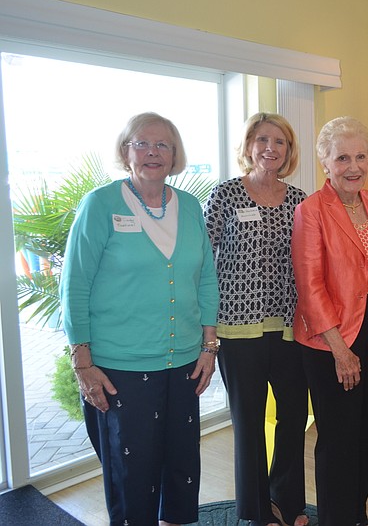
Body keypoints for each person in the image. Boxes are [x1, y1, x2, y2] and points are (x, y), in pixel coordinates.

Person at [61, 112, 219, 525]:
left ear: (174, 155)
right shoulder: (101, 204)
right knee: (132, 473)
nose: (153, 152)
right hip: (120, 368)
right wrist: (83, 362)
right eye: (141, 143)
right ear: (125, 151)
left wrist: (209, 346)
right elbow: (74, 285)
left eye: (163, 145)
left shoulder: (187, 205)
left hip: (184, 362)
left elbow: (205, 278)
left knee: (182, 466)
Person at [291, 116, 368, 526]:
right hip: (331, 337)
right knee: (338, 438)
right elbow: (310, 285)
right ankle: (336, 518)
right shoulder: (312, 211)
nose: (353, 166)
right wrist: (340, 350)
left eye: (359, 156)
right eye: (342, 158)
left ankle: (356, 515)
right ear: (325, 162)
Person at [204, 113, 308, 526]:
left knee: (293, 416)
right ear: (248, 146)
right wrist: (206, 332)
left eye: (279, 141)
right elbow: (204, 260)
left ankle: (288, 500)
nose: (271, 148)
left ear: (289, 150)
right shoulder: (226, 194)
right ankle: (255, 510)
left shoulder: (300, 200)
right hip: (236, 329)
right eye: (262, 139)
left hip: (288, 328)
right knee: (248, 422)